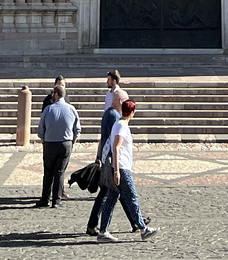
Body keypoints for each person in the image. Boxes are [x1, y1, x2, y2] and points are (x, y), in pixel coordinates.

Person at [96, 98, 156, 243]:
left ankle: (103, 231)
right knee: (132, 197)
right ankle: (143, 229)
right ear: (133, 112)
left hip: (118, 167)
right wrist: (116, 171)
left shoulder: (118, 124)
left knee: (111, 199)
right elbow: (116, 147)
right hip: (121, 168)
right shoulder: (122, 126)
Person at [87, 71, 129, 237]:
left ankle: (136, 222)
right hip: (111, 159)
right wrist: (103, 157)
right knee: (110, 191)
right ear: (120, 101)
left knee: (117, 190)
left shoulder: (114, 112)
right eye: (125, 101)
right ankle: (95, 226)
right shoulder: (112, 115)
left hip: (109, 158)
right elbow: (109, 138)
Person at [35, 81, 80, 210]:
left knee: (48, 172)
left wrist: (44, 141)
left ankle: (45, 199)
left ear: (55, 94)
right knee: (60, 172)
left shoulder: (48, 109)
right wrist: (72, 143)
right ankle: (56, 200)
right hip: (65, 144)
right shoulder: (71, 109)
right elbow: (77, 129)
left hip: (50, 144)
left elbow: (40, 130)